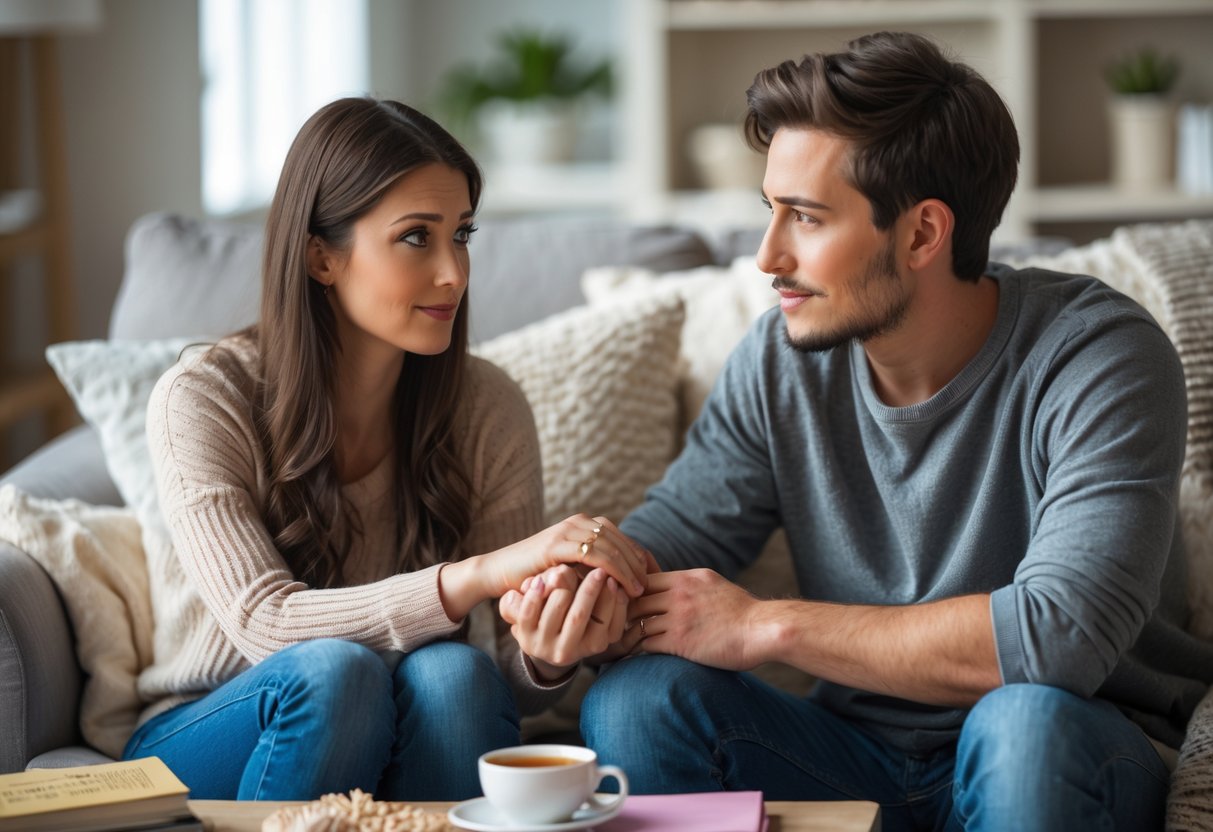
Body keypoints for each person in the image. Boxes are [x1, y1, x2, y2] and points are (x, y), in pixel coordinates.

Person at [572, 32, 1213, 831]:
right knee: (636, 703)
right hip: (851, 752)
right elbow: (673, 538)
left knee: (1019, 721)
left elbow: (1059, 638)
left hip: (1065, 747)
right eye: (768, 211)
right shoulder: (779, 359)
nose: (767, 255)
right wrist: (585, 589)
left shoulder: (1097, 353)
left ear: (920, 234)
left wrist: (763, 624)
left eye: (804, 217)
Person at [122, 97, 648, 802]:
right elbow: (265, 626)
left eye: (461, 235)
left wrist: (547, 654)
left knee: (455, 675)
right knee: (335, 672)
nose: (453, 273)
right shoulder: (203, 397)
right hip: (213, 721)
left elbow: (497, 675)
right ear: (319, 257)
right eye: (414, 238)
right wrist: (478, 575)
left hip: (393, 713)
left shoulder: (487, 408)